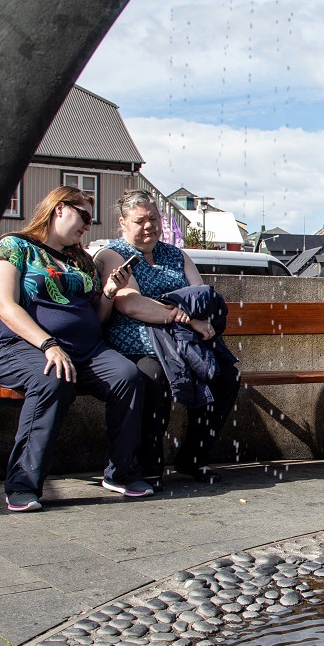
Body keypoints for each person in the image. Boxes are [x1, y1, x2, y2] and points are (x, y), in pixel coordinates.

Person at [0, 187, 149, 511]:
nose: (87, 226)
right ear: (59, 208)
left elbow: (96, 318)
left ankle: (120, 473)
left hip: (85, 351)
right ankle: (22, 484)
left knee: (128, 376)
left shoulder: (80, 260)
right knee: (51, 378)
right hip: (22, 347)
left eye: (91, 220)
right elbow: (4, 306)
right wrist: (48, 344)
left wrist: (110, 293)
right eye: (84, 216)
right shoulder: (15, 247)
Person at [95, 191, 241, 486]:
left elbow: (199, 295)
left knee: (225, 375)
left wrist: (187, 315)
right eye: (140, 221)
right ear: (123, 223)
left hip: (182, 343)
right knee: (154, 375)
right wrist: (183, 316)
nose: (149, 226)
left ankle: (195, 457)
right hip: (137, 344)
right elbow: (131, 303)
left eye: (154, 218)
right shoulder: (112, 254)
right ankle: (150, 464)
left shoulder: (177, 254)